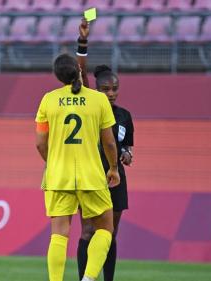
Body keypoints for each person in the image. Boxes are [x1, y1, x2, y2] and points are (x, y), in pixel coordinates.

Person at [35, 53, 120, 281]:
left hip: (58, 176)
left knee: (59, 234)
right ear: (79, 72)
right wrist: (113, 168)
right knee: (105, 229)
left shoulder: (48, 100)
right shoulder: (99, 100)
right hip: (91, 175)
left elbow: (40, 143)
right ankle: (89, 278)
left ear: (57, 76)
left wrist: (53, 164)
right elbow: (109, 142)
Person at [75, 19, 135, 281]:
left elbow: (128, 147)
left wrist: (127, 156)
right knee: (88, 231)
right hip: (91, 175)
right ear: (95, 90)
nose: (111, 94)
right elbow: (80, 72)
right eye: (105, 89)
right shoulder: (91, 106)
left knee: (110, 233)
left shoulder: (124, 116)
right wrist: (83, 41)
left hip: (116, 178)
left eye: (114, 89)